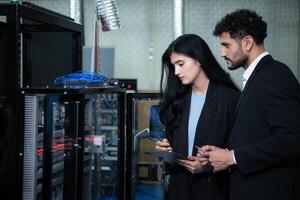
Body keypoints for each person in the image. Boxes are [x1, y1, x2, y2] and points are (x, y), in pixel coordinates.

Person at [199, 9, 300, 200]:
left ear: (247, 42)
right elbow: (257, 134)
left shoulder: (275, 75)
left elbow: (291, 139)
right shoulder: (258, 77)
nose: (222, 53)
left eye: (226, 45)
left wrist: (233, 157)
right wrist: (226, 154)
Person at [155, 34, 240, 200]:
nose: (176, 72)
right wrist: (165, 149)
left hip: (213, 190)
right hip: (179, 189)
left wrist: (209, 165)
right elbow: (173, 142)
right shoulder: (177, 99)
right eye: (173, 66)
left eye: (181, 64)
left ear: (199, 59)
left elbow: (239, 151)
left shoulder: (230, 99)